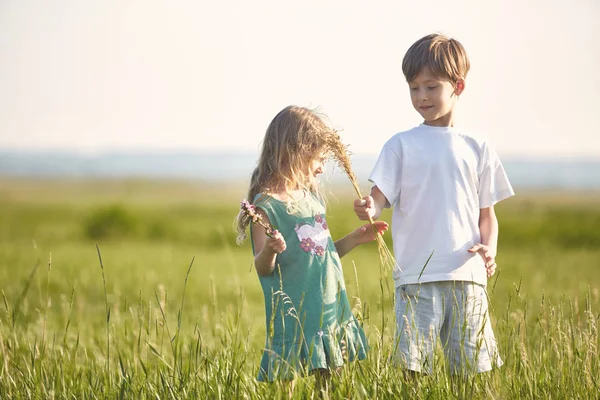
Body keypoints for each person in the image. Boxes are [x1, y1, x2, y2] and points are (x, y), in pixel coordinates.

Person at [354, 33, 514, 375]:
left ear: (458, 86)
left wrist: (490, 249)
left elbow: (488, 215)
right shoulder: (401, 144)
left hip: (467, 276)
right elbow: (380, 197)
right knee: (413, 370)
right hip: (416, 276)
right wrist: (370, 207)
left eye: (431, 87)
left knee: (472, 373)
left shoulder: (478, 146)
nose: (421, 96)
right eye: (414, 88)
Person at [236, 105, 388, 388]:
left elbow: (322, 253)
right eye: (318, 158)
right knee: (287, 381)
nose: (321, 167)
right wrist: (270, 249)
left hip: (327, 305)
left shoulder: (311, 198)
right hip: (295, 310)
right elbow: (262, 267)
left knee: (331, 382)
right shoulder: (266, 206)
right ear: (295, 153)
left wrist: (354, 238)